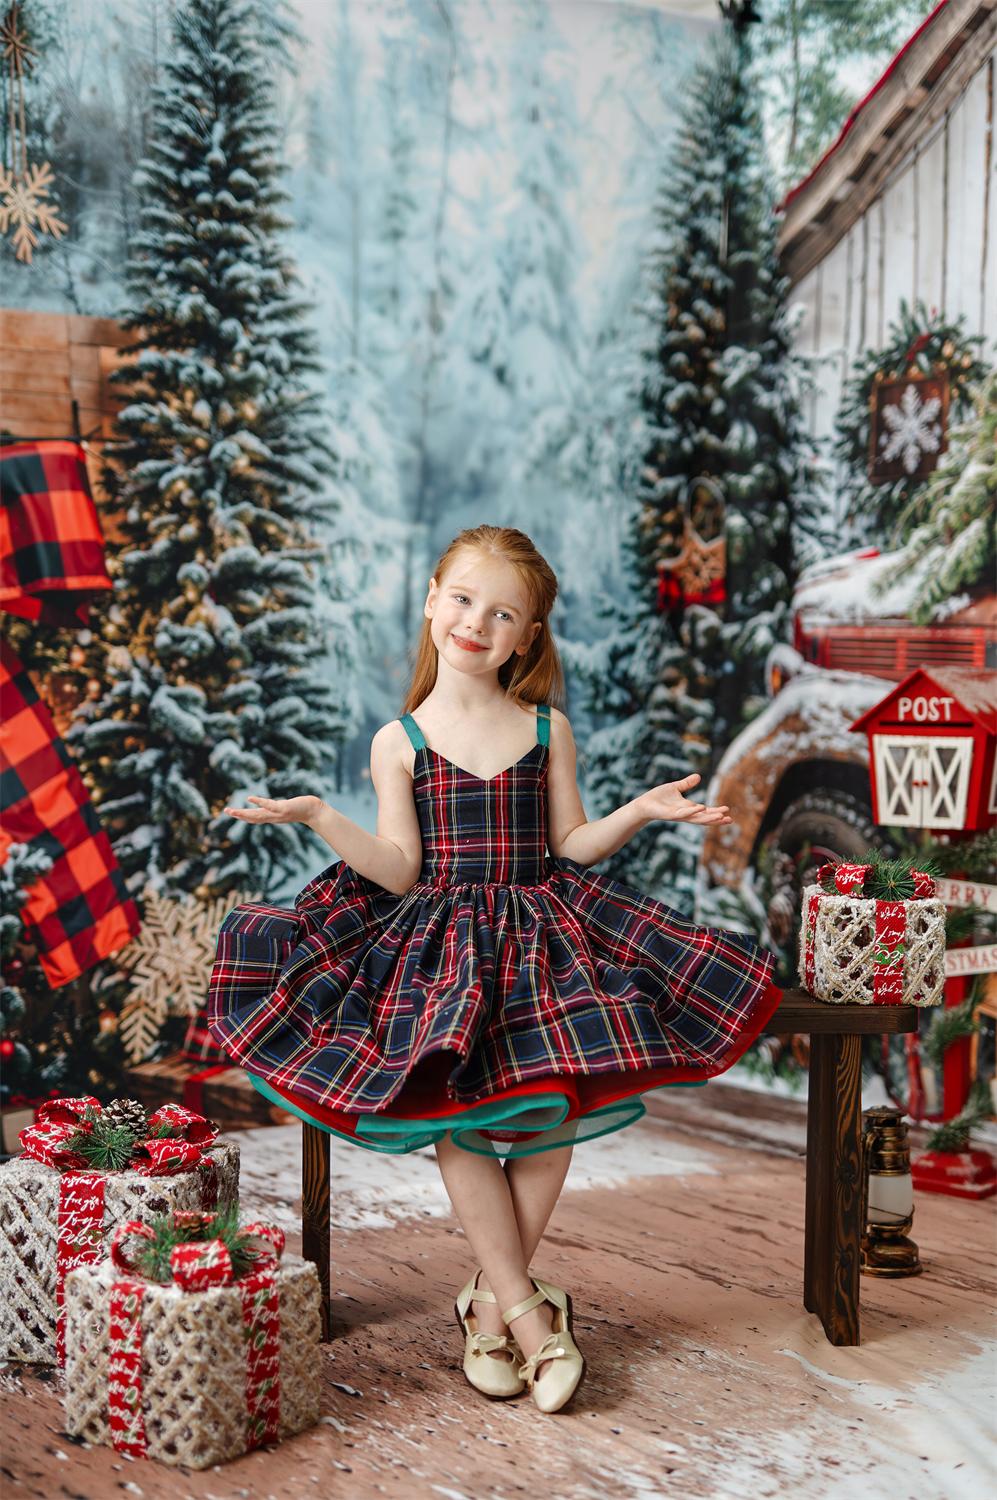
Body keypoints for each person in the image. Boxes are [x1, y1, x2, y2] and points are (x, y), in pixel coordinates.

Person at [207, 523, 783, 1414]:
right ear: (433, 599)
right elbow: (400, 867)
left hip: (540, 933)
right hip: (440, 946)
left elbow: (569, 844)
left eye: (501, 613)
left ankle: (488, 1301)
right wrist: (323, 815)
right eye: (464, 600)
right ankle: (523, 1313)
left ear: (526, 637)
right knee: (458, 1112)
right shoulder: (398, 740)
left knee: (554, 1103)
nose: (476, 623)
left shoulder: (546, 727)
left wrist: (638, 811)